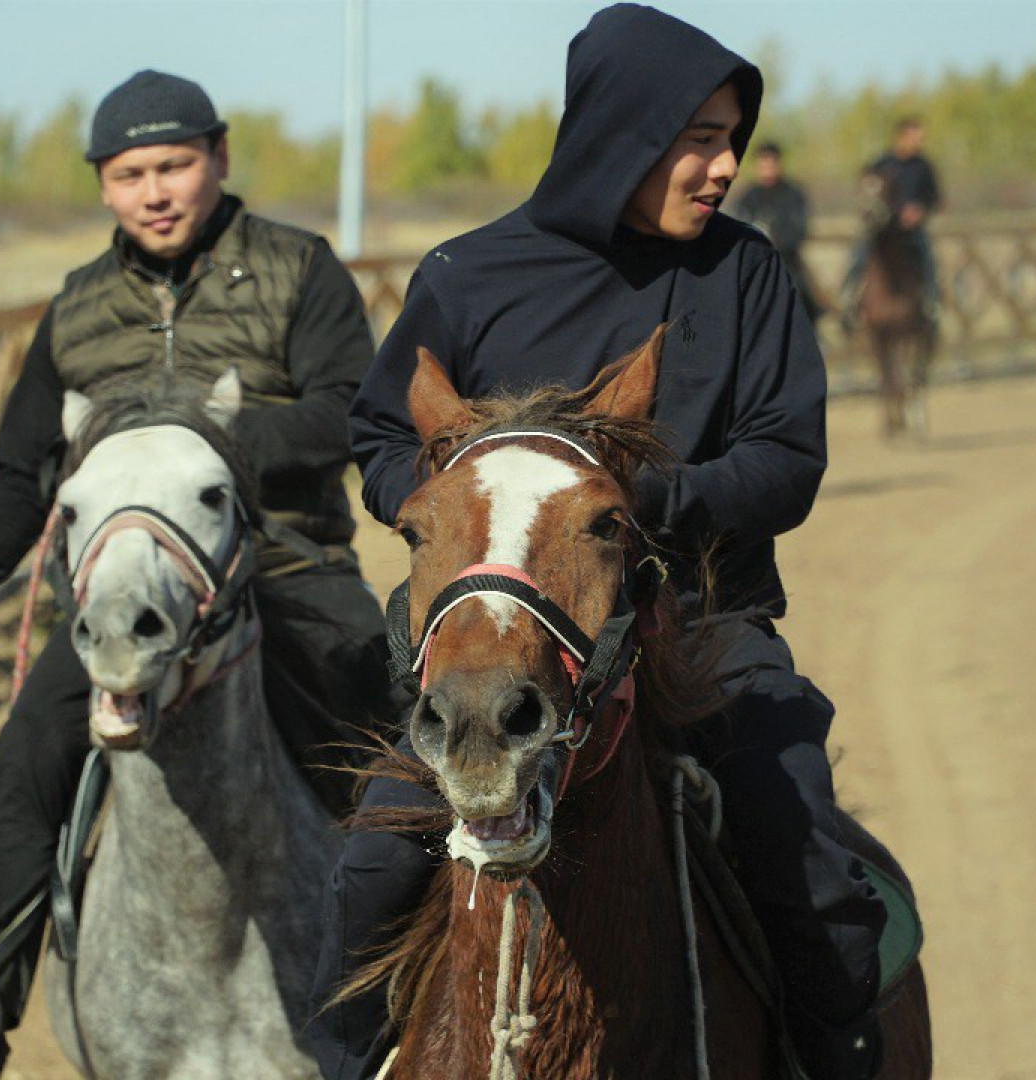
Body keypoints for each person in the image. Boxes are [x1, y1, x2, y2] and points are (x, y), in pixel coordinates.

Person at [313, 6, 888, 1080]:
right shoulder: (466, 273)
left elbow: (786, 460)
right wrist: (453, 513)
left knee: (801, 848)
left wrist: (619, 512)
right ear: (622, 133)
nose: (723, 167)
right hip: (501, 636)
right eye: (699, 139)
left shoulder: (749, 275)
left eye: (731, 139)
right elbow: (386, 432)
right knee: (368, 863)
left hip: (707, 629)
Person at [0, 69, 394, 1079]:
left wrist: (207, 442)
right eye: (129, 173)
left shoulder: (300, 269)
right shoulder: (75, 311)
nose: (155, 191)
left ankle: (449, 971)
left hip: (288, 567)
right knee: (20, 759)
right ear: (103, 186)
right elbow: (22, 479)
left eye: (175, 165)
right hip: (126, 596)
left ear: (220, 159)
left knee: (387, 730)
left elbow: (351, 413)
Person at [840, 115, 942, 325]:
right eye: (915, 138)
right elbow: (867, 191)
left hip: (910, 229)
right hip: (881, 227)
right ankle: (849, 300)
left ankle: (931, 302)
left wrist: (920, 210)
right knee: (858, 254)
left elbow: (934, 197)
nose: (919, 143)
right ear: (901, 136)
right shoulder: (880, 163)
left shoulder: (923, 166)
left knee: (927, 256)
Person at [732, 140, 824, 322]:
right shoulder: (748, 196)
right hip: (752, 259)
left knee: (804, 292)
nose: (767, 167)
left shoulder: (793, 193)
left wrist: (777, 241)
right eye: (763, 162)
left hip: (787, 259)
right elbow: (738, 224)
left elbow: (800, 228)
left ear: (779, 163)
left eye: (771, 161)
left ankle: (813, 327)